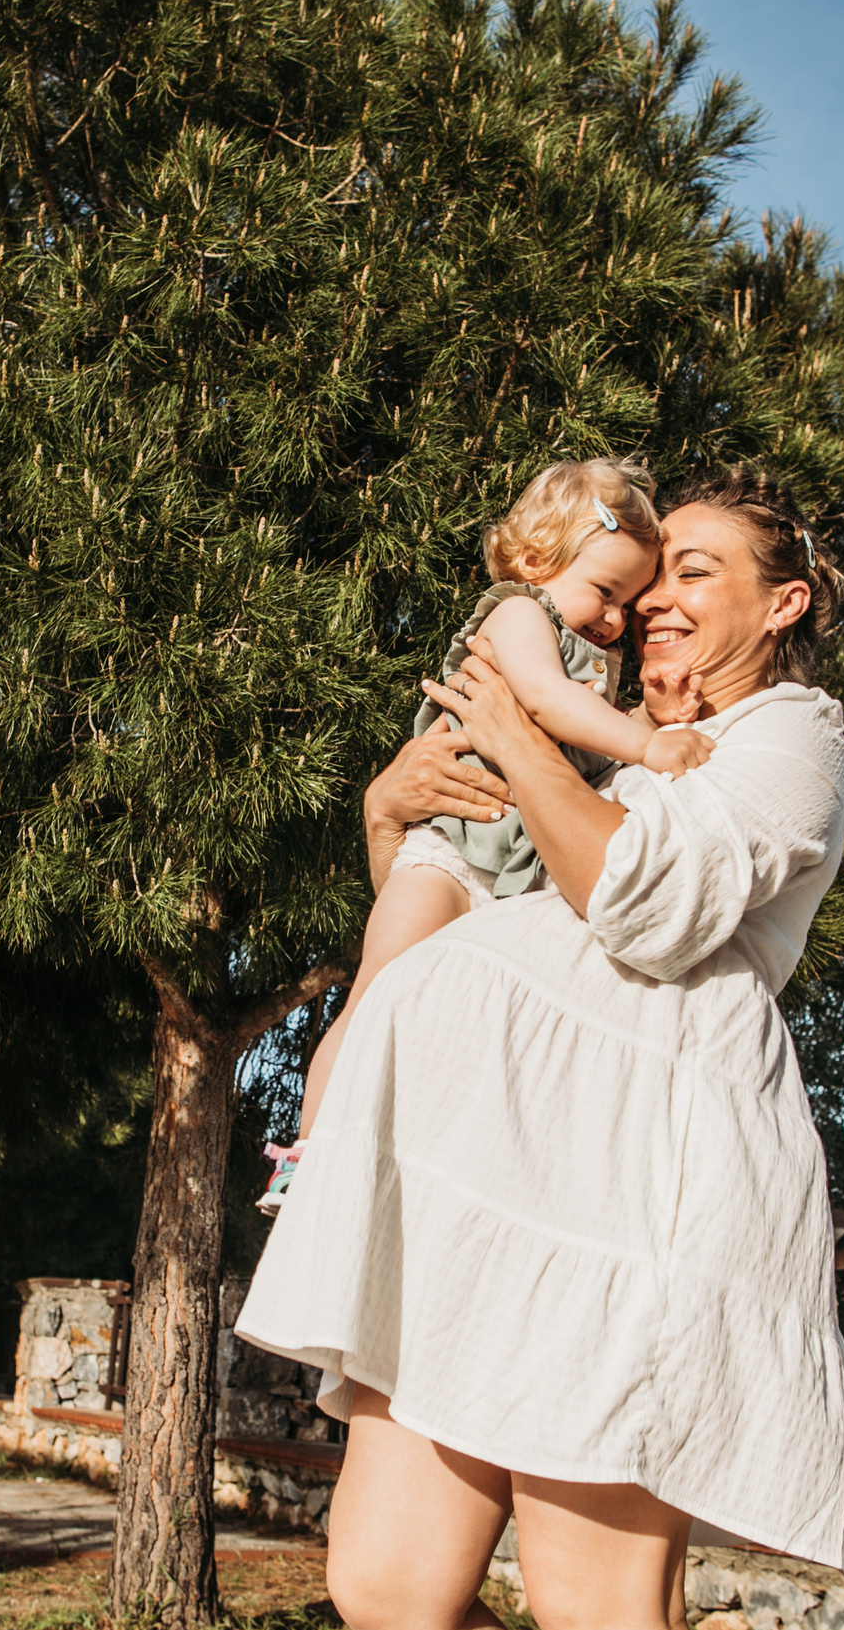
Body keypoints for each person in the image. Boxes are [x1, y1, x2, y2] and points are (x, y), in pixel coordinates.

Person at [236, 467, 844, 1630]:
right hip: (471, 1195)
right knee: (391, 1595)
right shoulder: (613, 750)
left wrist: (516, 739)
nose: (654, 601)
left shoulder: (785, 735)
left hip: (619, 1194)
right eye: (648, 581)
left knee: (599, 1618)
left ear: (785, 603)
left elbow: (643, 905)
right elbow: (470, 902)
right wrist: (389, 817)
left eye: (695, 571)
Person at [259, 457, 712, 1213]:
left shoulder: (591, 667)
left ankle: (407, 1168)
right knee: (378, 992)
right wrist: (650, 742)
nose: (614, 620)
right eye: (605, 591)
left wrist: (650, 716)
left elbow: (586, 766)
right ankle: (309, 1151)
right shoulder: (518, 616)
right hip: (445, 851)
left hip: (516, 880)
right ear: (536, 559)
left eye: (628, 606)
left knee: (452, 1028)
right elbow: (545, 700)